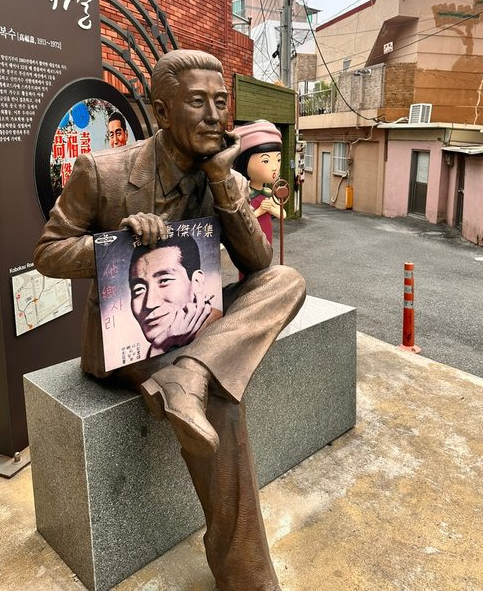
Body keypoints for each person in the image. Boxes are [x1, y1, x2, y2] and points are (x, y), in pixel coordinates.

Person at [34, 49, 306, 591]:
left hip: (196, 325)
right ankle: (246, 577)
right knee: (224, 406)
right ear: (161, 111)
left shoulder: (219, 172)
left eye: (221, 102)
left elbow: (256, 262)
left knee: (286, 281)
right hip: (131, 336)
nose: (214, 116)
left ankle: (194, 373)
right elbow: (48, 251)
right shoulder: (103, 171)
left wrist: (225, 183)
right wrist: (115, 245)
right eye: (198, 102)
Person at [129, 235, 221, 356]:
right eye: (139, 289)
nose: (150, 303)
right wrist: (159, 347)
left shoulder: (222, 328)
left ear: (197, 282)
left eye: (164, 281)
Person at [233, 120, 285, 245]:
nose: (275, 167)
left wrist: (271, 209)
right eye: (266, 161)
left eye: (278, 159)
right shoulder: (244, 193)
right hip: (251, 240)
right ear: (244, 162)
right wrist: (261, 210)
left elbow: (283, 214)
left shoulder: (267, 192)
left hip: (267, 234)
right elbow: (242, 223)